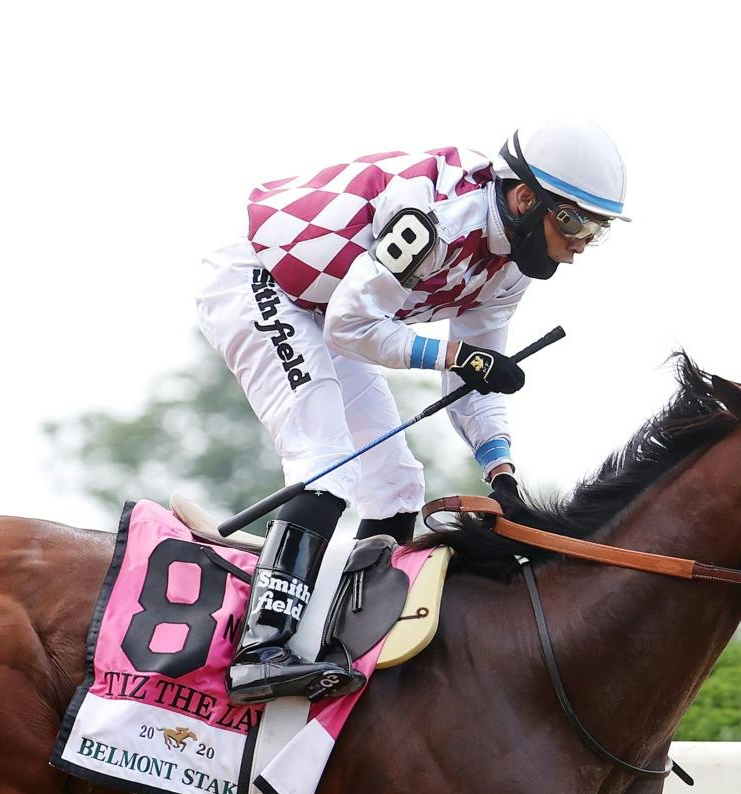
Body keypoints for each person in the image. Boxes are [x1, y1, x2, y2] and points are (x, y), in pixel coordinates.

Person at [196, 118, 630, 703]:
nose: (579, 245)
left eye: (596, 232)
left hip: (328, 309)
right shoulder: (439, 222)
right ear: (525, 199)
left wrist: (501, 474)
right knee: (325, 461)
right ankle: (260, 649)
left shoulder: (508, 266)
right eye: (574, 222)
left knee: (397, 486)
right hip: (262, 283)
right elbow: (353, 328)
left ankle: (348, 639)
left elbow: (475, 376)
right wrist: (455, 355)